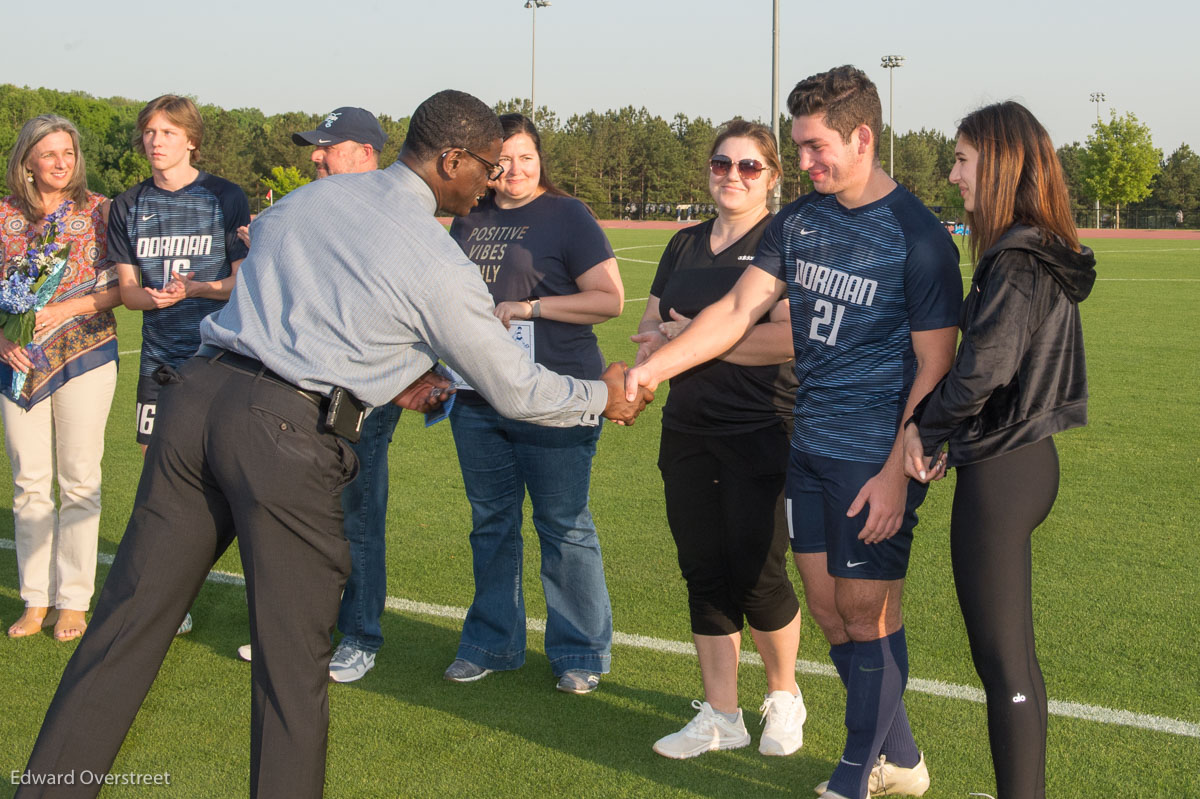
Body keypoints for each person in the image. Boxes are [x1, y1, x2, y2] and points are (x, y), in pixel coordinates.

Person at [14, 89, 651, 799]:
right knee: (292, 669)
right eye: (487, 166)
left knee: (124, 627)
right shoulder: (437, 261)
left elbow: (311, 300)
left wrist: (393, 372)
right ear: (451, 160)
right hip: (283, 437)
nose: (492, 181)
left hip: (194, 402)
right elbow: (519, 389)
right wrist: (606, 394)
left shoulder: (307, 202)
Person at [626, 65, 962, 799]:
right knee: (832, 610)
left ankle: (855, 769)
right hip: (806, 446)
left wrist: (895, 470)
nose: (803, 164)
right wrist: (655, 370)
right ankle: (901, 756)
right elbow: (737, 312)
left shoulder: (919, 237)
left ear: (862, 136)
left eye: (814, 148)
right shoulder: (797, 222)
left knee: (868, 610)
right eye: (800, 148)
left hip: (874, 455)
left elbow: (937, 368)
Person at [903, 101, 1096, 799]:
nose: (953, 172)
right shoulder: (1033, 245)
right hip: (1024, 461)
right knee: (1014, 656)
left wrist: (926, 430)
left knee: (1002, 661)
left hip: (1005, 473)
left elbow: (984, 368)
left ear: (1000, 162)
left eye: (961, 158)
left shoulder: (1016, 256)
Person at [631, 120, 806, 757]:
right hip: (687, 429)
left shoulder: (783, 240)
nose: (732, 176)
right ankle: (722, 715)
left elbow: (788, 339)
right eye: (721, 164)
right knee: (703, 572)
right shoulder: (682, 244)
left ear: (772, 177)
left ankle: (785, 698)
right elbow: (652, 319)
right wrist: (659, 342)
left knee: (758, 573)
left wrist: (694, 340)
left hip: (764, 428)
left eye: (749, 167)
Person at [444, 113, 624, 694]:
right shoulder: (470, 218)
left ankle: (580, 652)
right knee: (491, 522)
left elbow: (610, 300)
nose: (513, 170)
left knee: (563, 524)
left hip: (556, 393)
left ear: (540, 158)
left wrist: (533, 308)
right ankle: (491, 642)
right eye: (501, 160)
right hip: (477, 394)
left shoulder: (567, 215)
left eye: (525, 156)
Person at [234, 107, 396, 684]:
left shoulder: (390, 215)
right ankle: (298, 631)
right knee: (297, 513)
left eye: (328, 146)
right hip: (297, 390)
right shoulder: (305, 208)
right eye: (316, 145)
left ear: (366, 153)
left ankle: (360, 636)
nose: (315, 156)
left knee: (356, 515)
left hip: (361, 393)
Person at [107, 94, 249, 636]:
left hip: (221, 359)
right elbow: (126, 291)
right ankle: (168, 597)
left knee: (231, 474)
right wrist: (154, 298)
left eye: (167, 132)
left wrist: (197, 288)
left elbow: (241, 282)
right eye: (148, 132)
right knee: (160, 481)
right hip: (160, 363)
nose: (156, 141)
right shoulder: (127, 205)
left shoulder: (224, 196)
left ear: (190, 139)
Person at [0, 115, 121, 642]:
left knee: (78, 480)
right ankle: (35, 599)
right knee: (29, 484)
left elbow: (121, 288)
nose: (60, 163)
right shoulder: (3, 217)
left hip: (85, 355)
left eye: (68, 153)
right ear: (27, 160)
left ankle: (73, 599)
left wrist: (66, 310)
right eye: (49, 154)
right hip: (18, 366)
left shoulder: (100, 211)